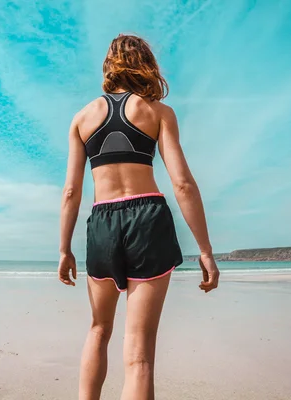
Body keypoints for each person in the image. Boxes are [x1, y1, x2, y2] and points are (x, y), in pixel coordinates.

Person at [58, 33, 220, 400]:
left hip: (101, 221)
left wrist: (64, 248)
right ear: (145, 63)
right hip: (147, 219)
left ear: (108, 65)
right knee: (139, 355)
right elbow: (182, 184)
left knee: (98, 330)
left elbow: (71, 191)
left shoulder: (82, 118)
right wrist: (205, 250)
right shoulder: (158, 112)